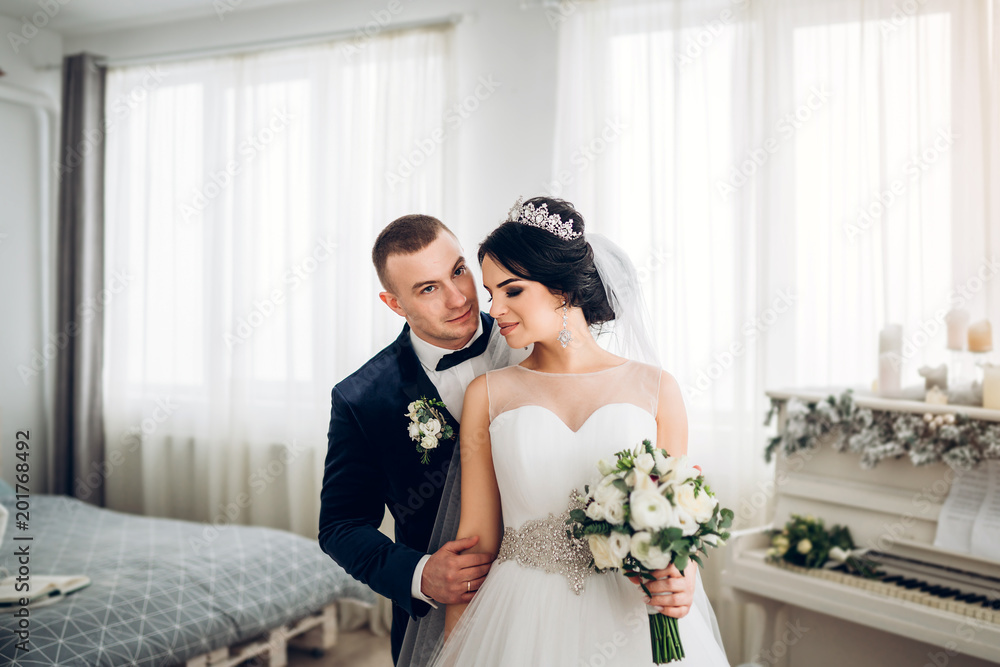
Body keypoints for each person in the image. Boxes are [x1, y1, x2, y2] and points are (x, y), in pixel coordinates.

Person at [425, 197, 730, 666]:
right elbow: (476, 544)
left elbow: (674, 524)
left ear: (562, 290)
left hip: (632, 617)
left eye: (512, 291)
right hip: (519, 620)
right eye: (491, 294)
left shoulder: (656, 389)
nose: (495, 309)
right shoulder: (486, 394)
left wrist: (680, 578)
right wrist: (456, 649)